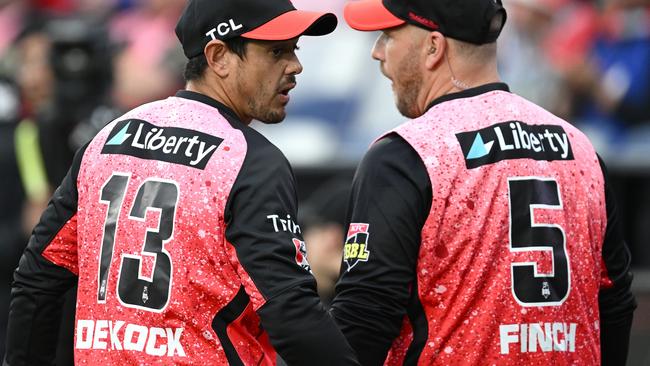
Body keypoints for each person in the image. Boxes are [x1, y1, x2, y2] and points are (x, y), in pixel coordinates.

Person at [4, 0, 359, 365]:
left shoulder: (108, 138)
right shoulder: (249, 159)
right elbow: (291, 312)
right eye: (276, 51)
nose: (295, 66)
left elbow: (38, 279)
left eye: (293, 49)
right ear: (218, 56)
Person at [330, 0, 637, 365]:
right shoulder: (580, 148)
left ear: (433, 47)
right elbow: (614, 302)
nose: (377, 53)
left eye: (388, 36)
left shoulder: (408, 153)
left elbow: (364, 315)